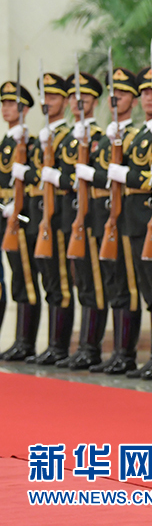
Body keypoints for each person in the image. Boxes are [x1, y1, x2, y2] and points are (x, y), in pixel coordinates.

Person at [108, 66, 152, 381]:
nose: (150, 98)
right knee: (147, 290)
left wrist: (127, 175)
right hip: (132, 218)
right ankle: (149, 357)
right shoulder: (138, 135)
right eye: (146, 93)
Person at [82, 68, 143, 375]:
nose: (116, 97)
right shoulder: (104, 139)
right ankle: (114, 352)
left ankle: (125, 353)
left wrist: (96, 174)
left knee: (125, 284)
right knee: (110, 284)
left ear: (134, 100)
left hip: (124, 216)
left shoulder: (134, 137)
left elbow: (131, 176)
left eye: (123, 93)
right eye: (113, 93)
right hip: (101, 216)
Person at [56, 72, 107, 370]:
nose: (78, 102)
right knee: (82, 283)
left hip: (92, 218)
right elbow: (64, 176)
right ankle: (82, 346)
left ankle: (91, 347)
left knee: (95, 282)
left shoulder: (100, 137)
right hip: (70, 216)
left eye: (84, 97)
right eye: (73, 97)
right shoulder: (66, 139)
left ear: (95, 101)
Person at [28, 73, 73, 366]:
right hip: (37, 215)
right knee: (47, 281)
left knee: (60, 282)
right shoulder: (38, 138)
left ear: (65, 102)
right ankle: (48, 344)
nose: (47, 102)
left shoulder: (68, 137)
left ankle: (59, 346)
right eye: (44, 96)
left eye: (54, 97)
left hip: (57, 215)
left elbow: (70, 178)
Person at [0, 81, 41, 361]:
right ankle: (18, 340)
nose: (6, 109)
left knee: (25, 276)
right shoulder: (6, 142)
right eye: (3, 104)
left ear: (24, 109)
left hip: (21, 216)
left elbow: (37, 179)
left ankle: (26, 342)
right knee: (15, 278)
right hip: (4, 215)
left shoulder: (31, 143)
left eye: (11, 104)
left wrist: (18, 204)